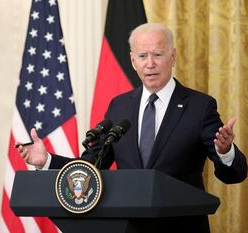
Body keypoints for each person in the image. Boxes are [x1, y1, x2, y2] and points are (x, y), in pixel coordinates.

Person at [17, 23, 247, 232]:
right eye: (142, 55)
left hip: (181, 226)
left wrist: (225, 152)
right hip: (128, 227)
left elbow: (234, 175)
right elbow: (91, 166)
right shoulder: (120, 106)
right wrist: (47, 160)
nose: (150, 63)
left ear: (173, 56)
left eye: (158, 54)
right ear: (132, 61)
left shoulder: (200, 106)